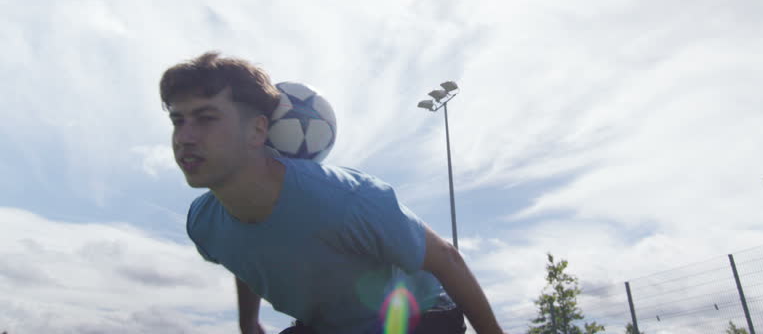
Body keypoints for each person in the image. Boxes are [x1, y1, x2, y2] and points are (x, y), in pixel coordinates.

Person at [160, 52, 505, 334]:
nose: (184, 137)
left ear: (257, 130)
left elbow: (447, 258)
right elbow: (243, 253)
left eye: (206, 118)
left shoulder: (344, 199)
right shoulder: (203, 222)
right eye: (178, 121)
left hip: (419, 319)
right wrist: (248, 322)